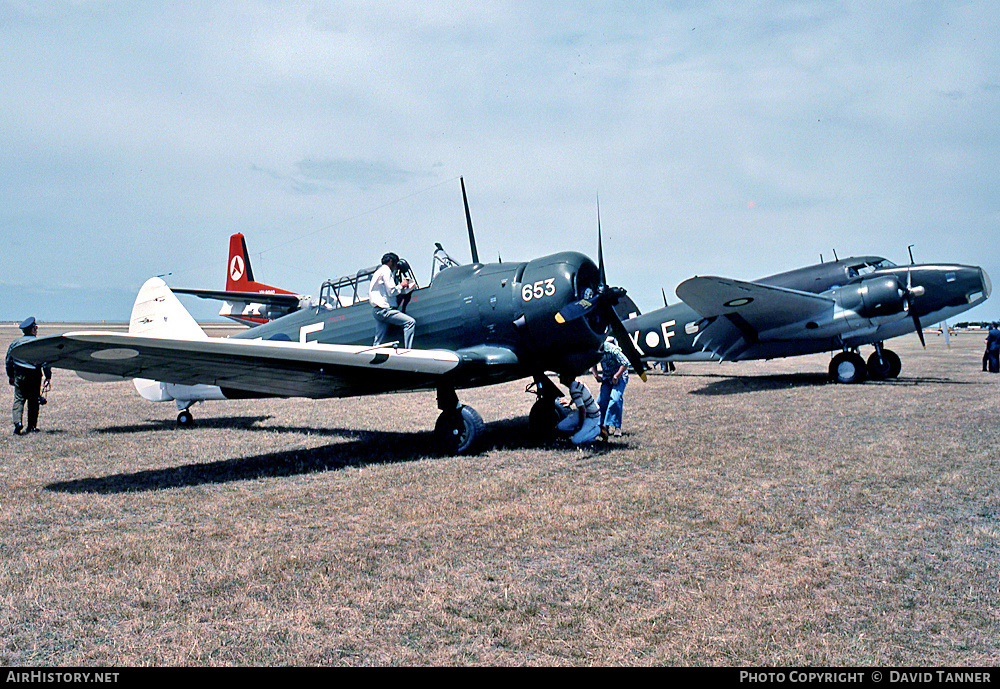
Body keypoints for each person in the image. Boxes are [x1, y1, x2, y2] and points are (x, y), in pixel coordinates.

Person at [6, 317, 51, 435]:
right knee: (33, 401)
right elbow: (45, 361)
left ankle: (17, 423)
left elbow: (8, 361)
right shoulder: (38, 343)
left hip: (20, 376)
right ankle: (31, 427)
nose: (36, 330)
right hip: (35, 377)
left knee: (19, 399)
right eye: (35, 328)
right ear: (31, 329)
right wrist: (48, 376)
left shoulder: (15, 343)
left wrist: (11, 376)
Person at [369, 252, 416, 349]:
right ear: (391, 261)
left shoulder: (378, 271)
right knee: (410, 323)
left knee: (378, 340)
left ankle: (374, 352)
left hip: (377, 310)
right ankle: (408, 351)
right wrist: (402, 285)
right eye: (396, 263)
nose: (396, 266)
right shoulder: (386, 271)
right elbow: (391, 291)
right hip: (385, 309)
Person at [592, 336, 630, 438]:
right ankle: (602, 426)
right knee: (601, 401)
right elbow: (592, 362)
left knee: (615, 399)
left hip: (620, 376)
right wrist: (596, 375)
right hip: (607, 377)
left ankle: (617, 427)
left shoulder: (612, 350)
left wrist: (616, 376)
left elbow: (626, 363)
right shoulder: (595, 351)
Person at [556, 374, 602, 445]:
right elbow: (580, 395)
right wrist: (570, 402)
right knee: (561, 427)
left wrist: (580, 426)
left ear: (567, 378)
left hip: (591, 416)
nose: (559, 377)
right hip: (585, 413)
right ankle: (581, 433)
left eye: (561, 376)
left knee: (576, 440)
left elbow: (582, 410)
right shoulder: (576, 383)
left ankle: (598, 430)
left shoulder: (573, 389)